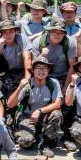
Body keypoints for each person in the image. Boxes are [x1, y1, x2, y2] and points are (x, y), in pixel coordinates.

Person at [30, 19, 77, 151]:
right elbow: (33, 66)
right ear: (48, 32)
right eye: (54, 32)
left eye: (61, 33)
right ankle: (38, 133)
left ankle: (67, 136)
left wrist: (65, 87)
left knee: (68, 103)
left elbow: (72, 66)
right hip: (42, 76)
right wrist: (42, 54)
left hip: (63, 76)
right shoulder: (38, 42)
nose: (57, 35)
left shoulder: (70, 42)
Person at [6, 56, 63, 158]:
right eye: (38, 68)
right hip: (27, 117)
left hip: (44, 116)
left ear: (48, 70)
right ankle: (35, 137)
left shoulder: (53, 83)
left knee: (57, 114)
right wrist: (20, 87)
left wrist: (39, 111)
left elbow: (57, 104)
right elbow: (10, 104)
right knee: (26, 142)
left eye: (44, 68)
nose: (41, 71)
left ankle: (46, 142)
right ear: (32, 70)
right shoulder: (27, 84)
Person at [0, 20, 31, 98]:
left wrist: (27, 78)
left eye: (11, 31)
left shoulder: (22, 38)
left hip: (27, 68)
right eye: (5, 32)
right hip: (12, 70)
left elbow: (27, 57)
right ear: (1, 34)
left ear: (15, 31)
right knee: (8, 89)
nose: (8, 35)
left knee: (28, 88)